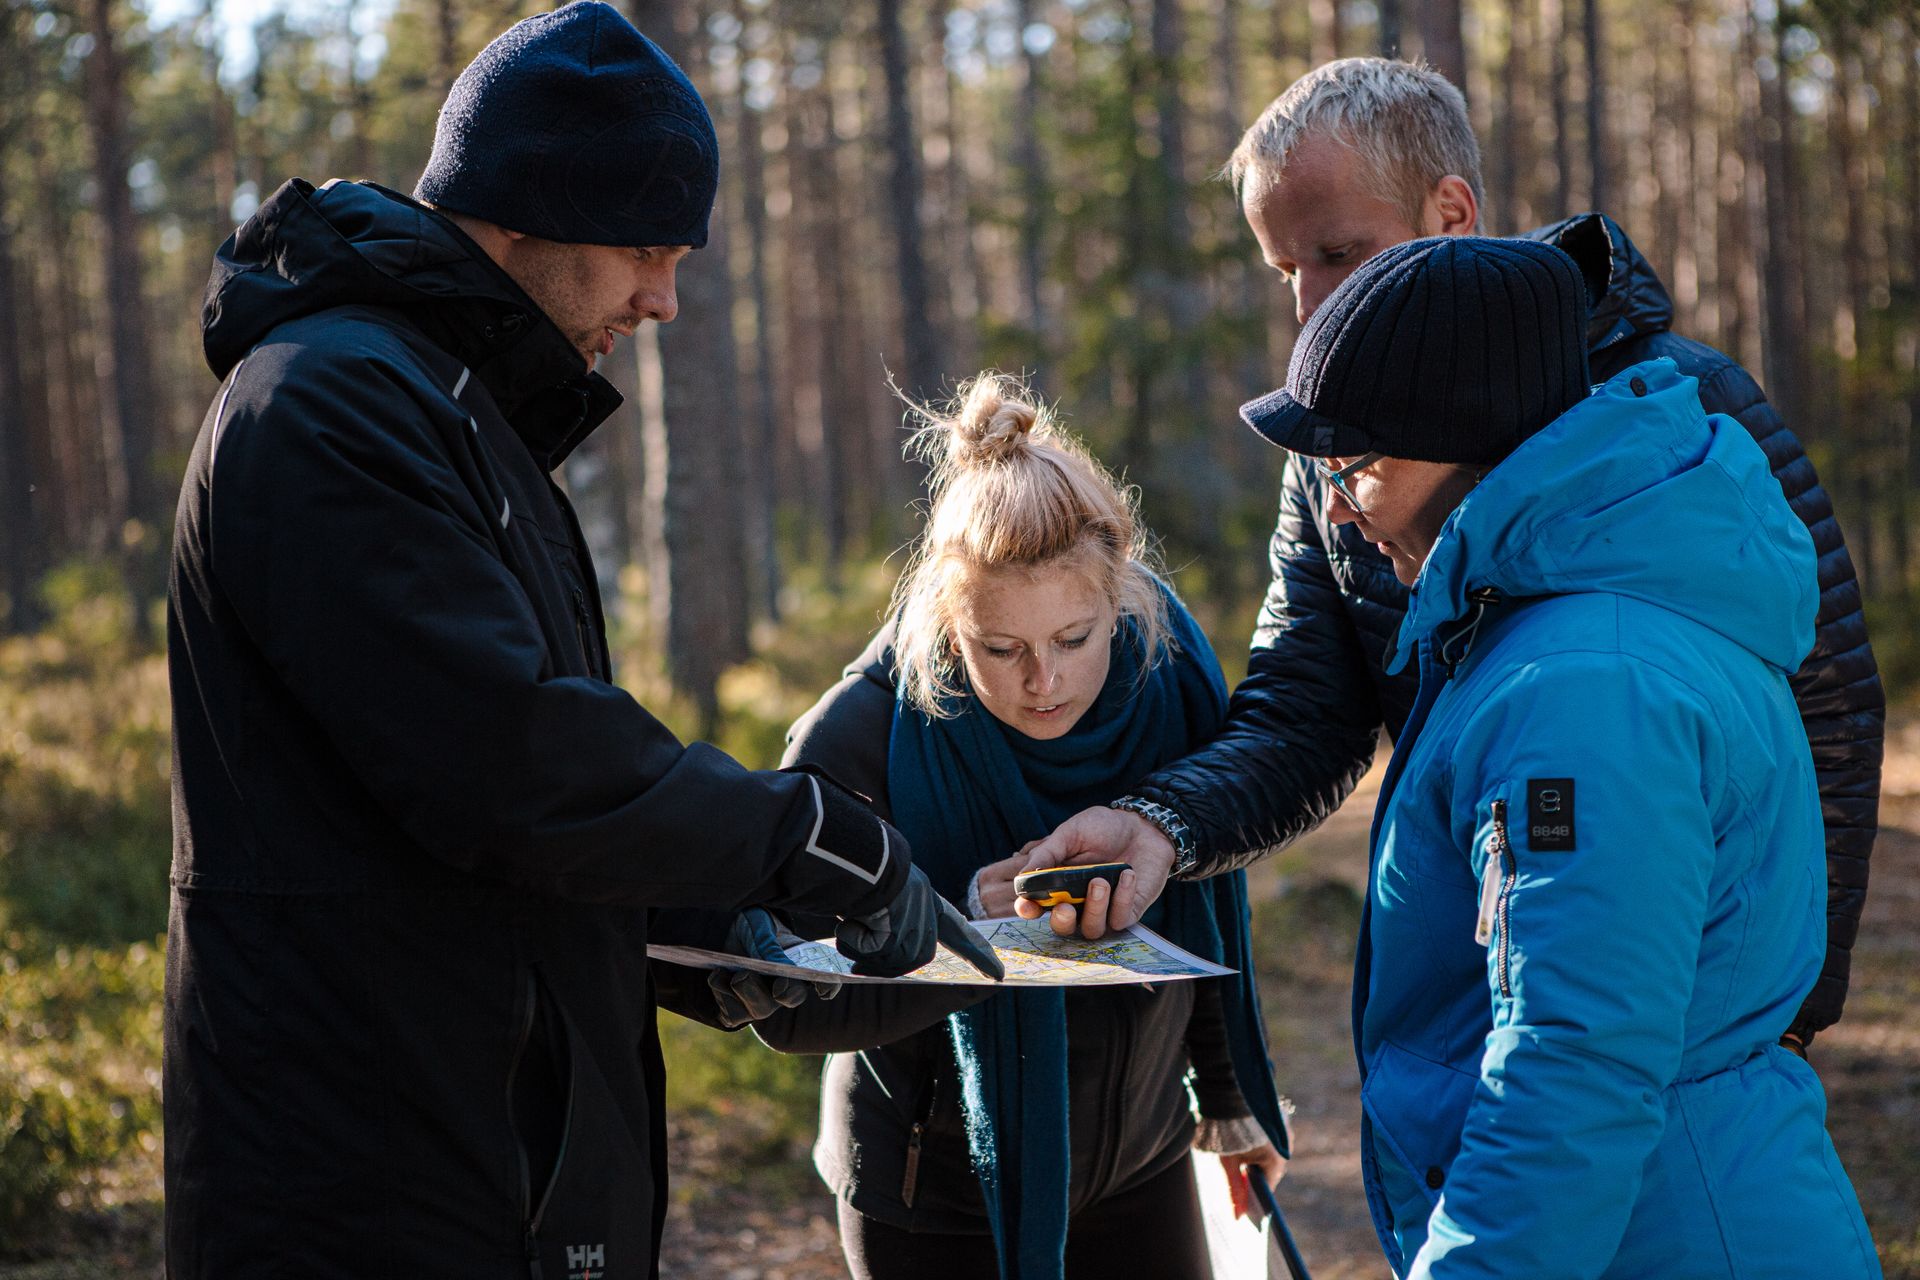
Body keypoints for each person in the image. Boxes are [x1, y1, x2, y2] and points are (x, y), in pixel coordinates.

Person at [163, 5, 995, 1276]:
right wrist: (811, 838)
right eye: (646, 252)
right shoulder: (327, 408)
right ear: (525, 211)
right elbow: (509, 759)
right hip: (363, 1180)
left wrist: (710, 928)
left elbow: (474, 803)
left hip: (482, 1152)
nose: (662, 300)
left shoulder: (454, 414)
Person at [1019, 57, 1882, 1063]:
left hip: (1689, 1005)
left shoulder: (1682, 413)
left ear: (1452, 212)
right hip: (1466, 988)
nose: (1308, 307)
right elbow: (1305, 710)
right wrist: (1163, 820)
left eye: (1339, 252)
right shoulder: (1332, 448)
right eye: (1284, 270)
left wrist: (1789, 1005)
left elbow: (1826, 706)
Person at [1252, 232, 1880, 1277]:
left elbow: (1573, 1063)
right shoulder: (1561, 614)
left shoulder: (1589, 686)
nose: (1335, 507)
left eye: (1354, 463)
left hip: (1661, 1233)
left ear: (1465, 436)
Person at [748, 375, 1291, 1280]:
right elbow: (789, 1007)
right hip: (934, 1194)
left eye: (1075, 638)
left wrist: (1229, 1097)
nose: (1044, 681)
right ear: (944, 618)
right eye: (1000, 650)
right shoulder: (857, 739)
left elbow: (1204, 901)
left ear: (1122, 596)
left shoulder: (1171, 676)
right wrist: (971, 936)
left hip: (1142, 1159)